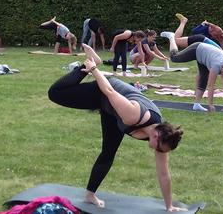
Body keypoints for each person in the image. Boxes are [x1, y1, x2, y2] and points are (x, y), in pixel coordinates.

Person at [47, 44, 185, 211]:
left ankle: (90, 195)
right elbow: (110, 91)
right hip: (104, 93)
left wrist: (169, 206)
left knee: (108, 152)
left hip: (113, 114)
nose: (159, 152)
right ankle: (90, 62)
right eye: (160, 148)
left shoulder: (162, 138)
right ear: (156, 136)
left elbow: (164, 175)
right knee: (55, 93)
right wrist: (93, 70)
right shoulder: (134, 115)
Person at [165, 33, 223, 112]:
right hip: (197, 49)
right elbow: (211, 86)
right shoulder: (217, 65)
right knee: (174, 57)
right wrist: (210, 105)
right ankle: (171, 37)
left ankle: (196, 105)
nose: (222, 74)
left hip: (205, 59)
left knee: (203, 79)